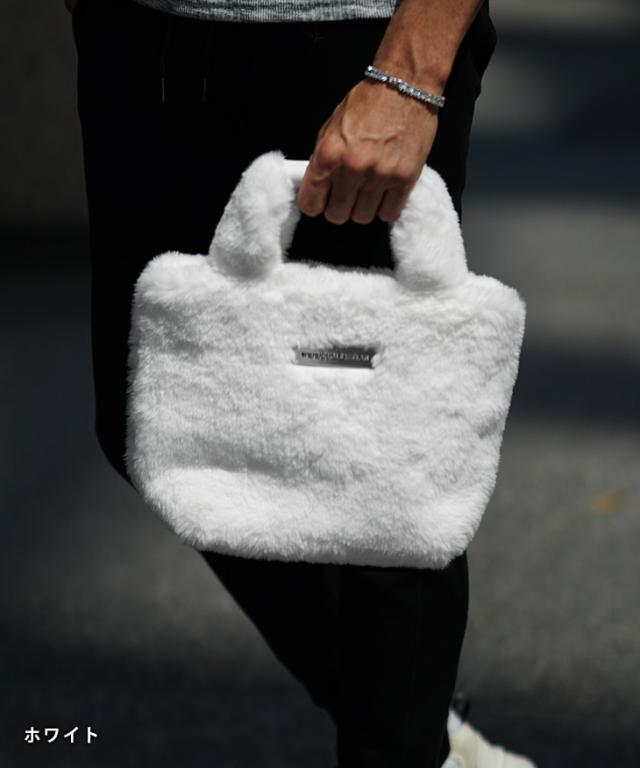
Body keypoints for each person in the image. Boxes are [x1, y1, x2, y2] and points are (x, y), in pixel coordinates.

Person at [67, 0, 536, 766]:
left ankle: (403, 742)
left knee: (386, 475)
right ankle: (417, 727)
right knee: (147, 412)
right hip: (140, 34)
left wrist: (411, 72)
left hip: (359, 35)